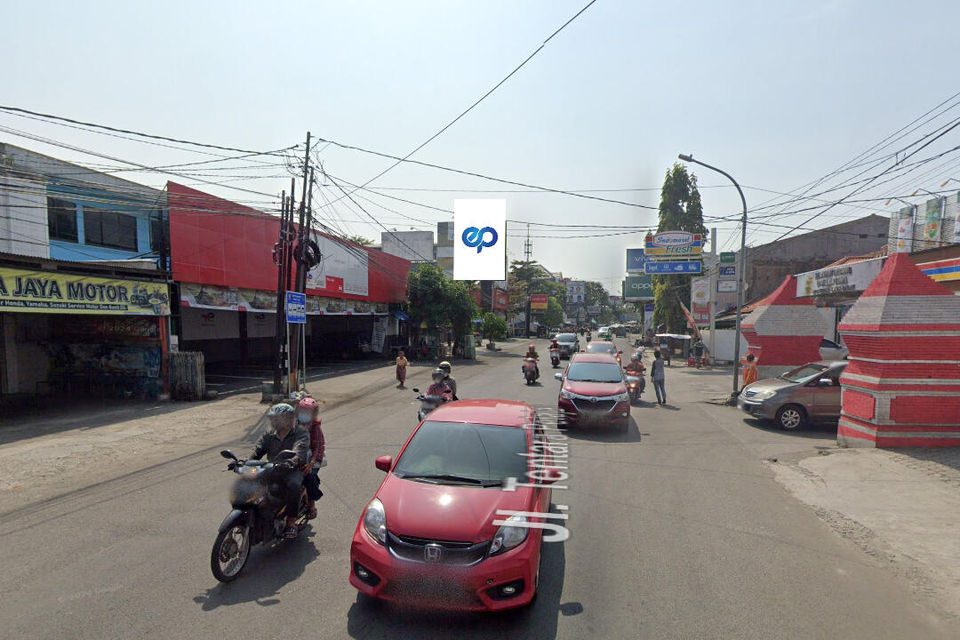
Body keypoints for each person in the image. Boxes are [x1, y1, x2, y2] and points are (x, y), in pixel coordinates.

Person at [250, 403, 310, 539]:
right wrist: (247, 461)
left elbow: (299, 450)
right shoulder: (270, 434)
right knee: (253, 482)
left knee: (293, 485)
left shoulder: (300, 432)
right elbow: (258, 448)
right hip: (272, 467)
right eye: (273, 419)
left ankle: (291, 522)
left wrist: (292, 461)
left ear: (289, 419)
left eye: (278, 419)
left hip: (292, 469)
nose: (275, 422)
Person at [296, 397, 325, 519]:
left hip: (311, 458)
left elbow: (317, 447)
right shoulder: (293, 424)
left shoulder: (315, 427)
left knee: (310, 477)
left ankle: (311, 505)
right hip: (295, 456)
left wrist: (311, 464)